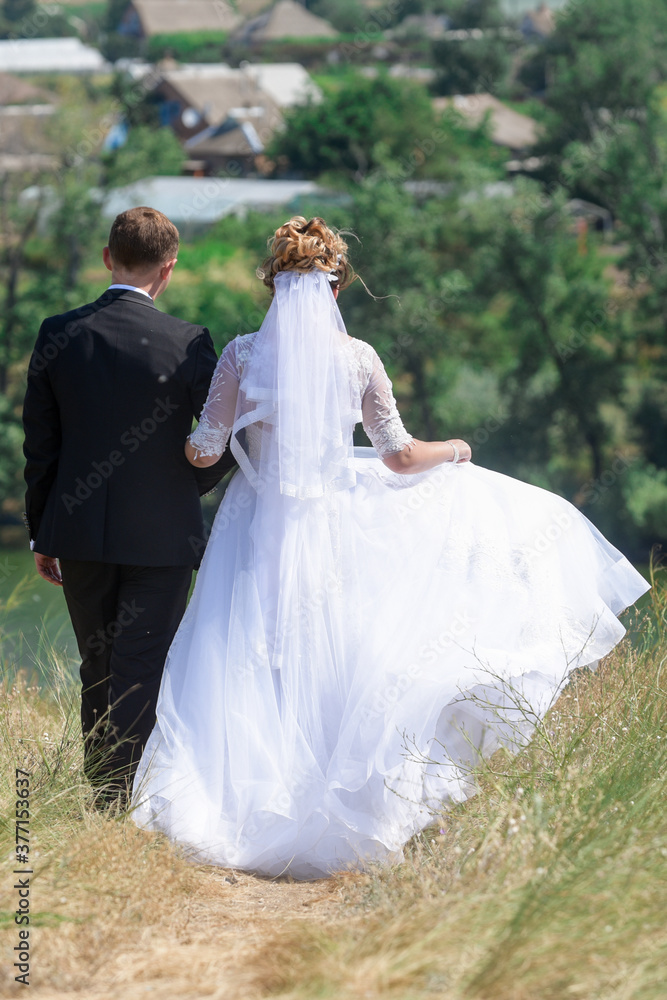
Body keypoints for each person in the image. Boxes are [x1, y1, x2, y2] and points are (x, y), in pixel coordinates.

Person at [131, 216, 649, 877]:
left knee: (249, 655)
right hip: (334, 525)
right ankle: (342, 808)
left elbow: (204, 449)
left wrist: (202, 440)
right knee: (342, 653)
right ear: (336, 287)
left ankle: (234, 807)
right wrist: (456, 449)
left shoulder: (241, 355)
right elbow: (400, 457)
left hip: (256, 525)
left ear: (272, 286)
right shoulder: (358, 359)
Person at [22, 206, 235, 802]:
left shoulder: (57, 333)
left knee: (100, 667)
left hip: (80, 533)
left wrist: (44, 532)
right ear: (168, 269)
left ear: (108, 258)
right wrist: (180, 490)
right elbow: (227, 439)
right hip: (164, 540)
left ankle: (105, 799)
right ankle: (134, 801)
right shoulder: (189, 341)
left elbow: (41, 447)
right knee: (145, 667)